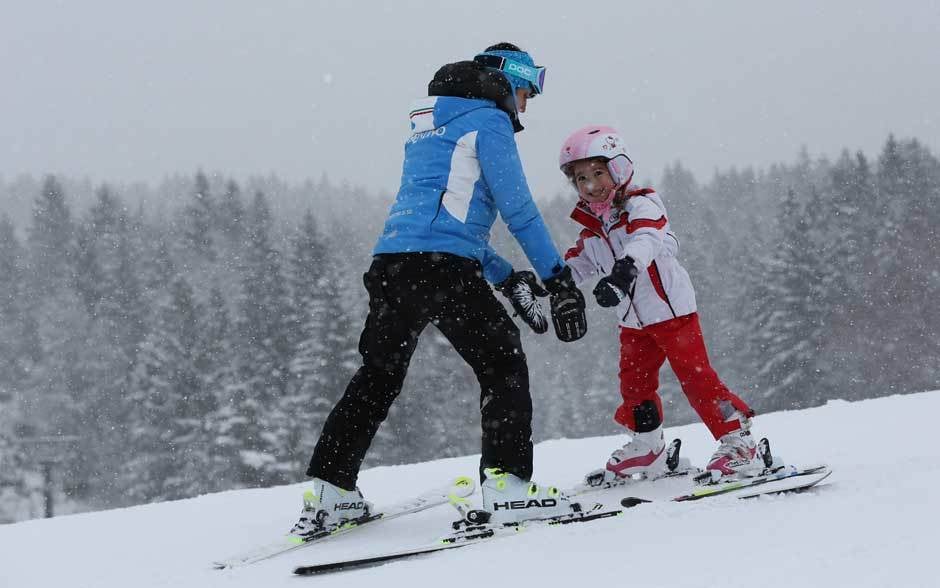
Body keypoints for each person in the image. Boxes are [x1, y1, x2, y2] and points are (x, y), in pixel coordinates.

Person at [289, 43, 588, 537]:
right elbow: (519, 211)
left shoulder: (429, 124)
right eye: (526, 91)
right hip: (442, 270)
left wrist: (503, 275)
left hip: (392, 263)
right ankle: (508, 486)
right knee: (501, 363)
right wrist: (559, 282)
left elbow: (441, 220)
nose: (526, 105)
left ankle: (331, 492)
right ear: (506, 82)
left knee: (378, 375)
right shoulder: (489, 123)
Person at [557, 125, 763, 484]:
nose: (590, 186)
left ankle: (739, 442)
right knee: (633, 383)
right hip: (633, 322)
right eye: (581, 179)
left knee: (697, 378)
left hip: (672, 313)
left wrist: (621, 275)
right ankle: (648, 447)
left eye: (598, 173)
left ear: (619, 169)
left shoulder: (642, 204)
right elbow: (578, 264)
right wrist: (547, 284)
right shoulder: (592, 228)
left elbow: (646, 240)